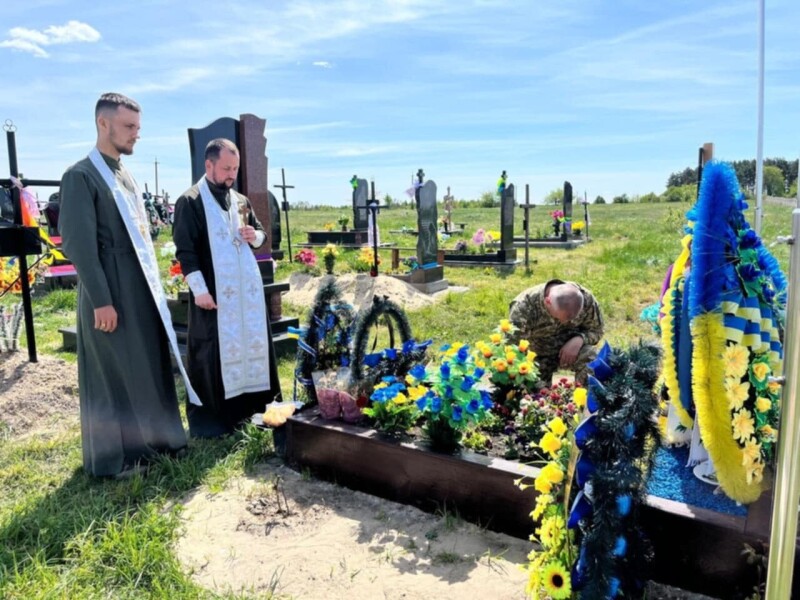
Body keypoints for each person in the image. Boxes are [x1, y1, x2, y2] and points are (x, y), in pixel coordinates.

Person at [59, 92, 195, 478]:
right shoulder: (81, 176)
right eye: (129, 126)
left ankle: (156, 442)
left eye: (138, 126)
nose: (137, 134)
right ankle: (116, 459)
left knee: (145, 364)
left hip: (138, 285)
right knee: (114, 372)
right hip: (109, 286)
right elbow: (79, 244)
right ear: (103, 123)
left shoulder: (125, 173)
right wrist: (101, 299)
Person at [173, 138, 273, 438]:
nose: (232, 174)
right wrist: (199, 290)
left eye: (235, 168)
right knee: (212, 352)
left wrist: (254, 235)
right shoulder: (190, 201)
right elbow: (186, 251)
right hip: (213, 295)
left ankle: (253, 411)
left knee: (251, 347)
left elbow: (261, 235)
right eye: (227, 168)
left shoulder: (240, 200)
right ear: (209, 165)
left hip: (246, 296)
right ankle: (215, 422)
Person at [508, 280, 604, 386]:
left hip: (571, 357)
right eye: (559, 318)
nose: (565, 323)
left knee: (593, 357)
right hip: (537, 362)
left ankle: (576, 391)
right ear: (547, 301)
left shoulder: (586, 299)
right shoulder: (524, 308)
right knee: (520, 384)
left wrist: (579, 339)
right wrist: (537, 384)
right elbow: (514, 351)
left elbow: (597, 330)